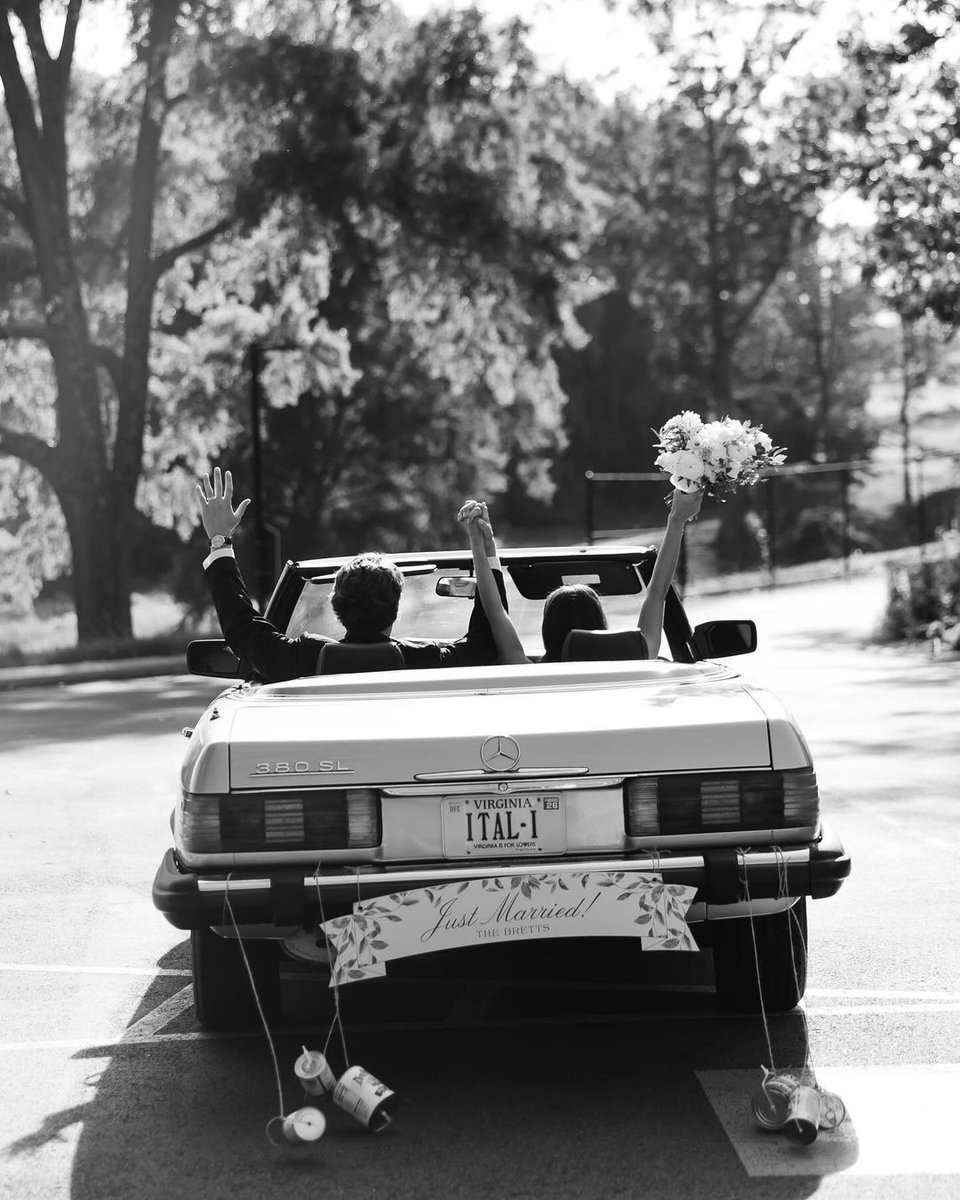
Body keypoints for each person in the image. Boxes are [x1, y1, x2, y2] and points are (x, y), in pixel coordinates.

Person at [196, 467, 505, 681]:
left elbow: (242, 627)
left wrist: (219, 540)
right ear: (395, 609)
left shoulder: (301, 658)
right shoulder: (425, 660)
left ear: (336, 606)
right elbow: (489, 640)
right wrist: (483, 547)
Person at [458, 487, 703, 664]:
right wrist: (677, 519)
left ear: (548, 631)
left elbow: (495, 611)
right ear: (600, 624)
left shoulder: (528, 673)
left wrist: (481, 544)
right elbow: (658, 592)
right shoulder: (638, 659)